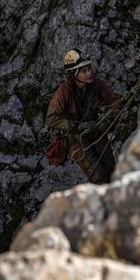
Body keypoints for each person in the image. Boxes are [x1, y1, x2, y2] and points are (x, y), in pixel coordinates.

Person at [46, 49, 118, 183]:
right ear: (74, 74)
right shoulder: (64, 91)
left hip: (95, 129)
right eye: (84, 71)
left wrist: (108, 121)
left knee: (111, 167)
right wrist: (78, 126)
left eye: (89, 68)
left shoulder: (96, 84)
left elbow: (114, 101)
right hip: (75, 137)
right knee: (97, 175)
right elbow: (51, 119)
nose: (89, 73)